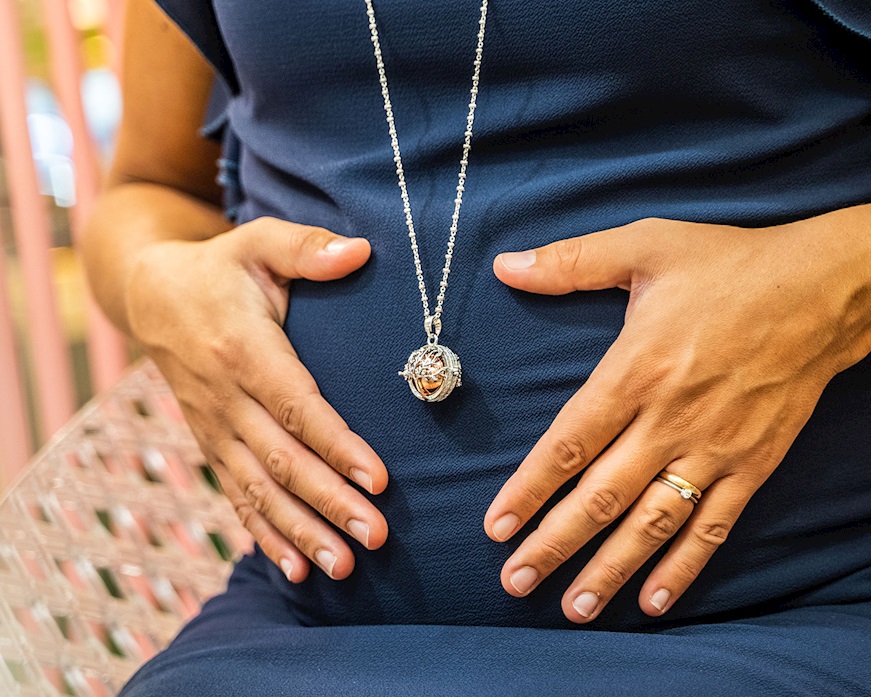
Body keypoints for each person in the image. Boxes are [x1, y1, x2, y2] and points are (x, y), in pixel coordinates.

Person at [80, 0, 871, 694]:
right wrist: (160, 287)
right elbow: (150, 188)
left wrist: (831, 287)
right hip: (297, 630)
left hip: (795, 608)